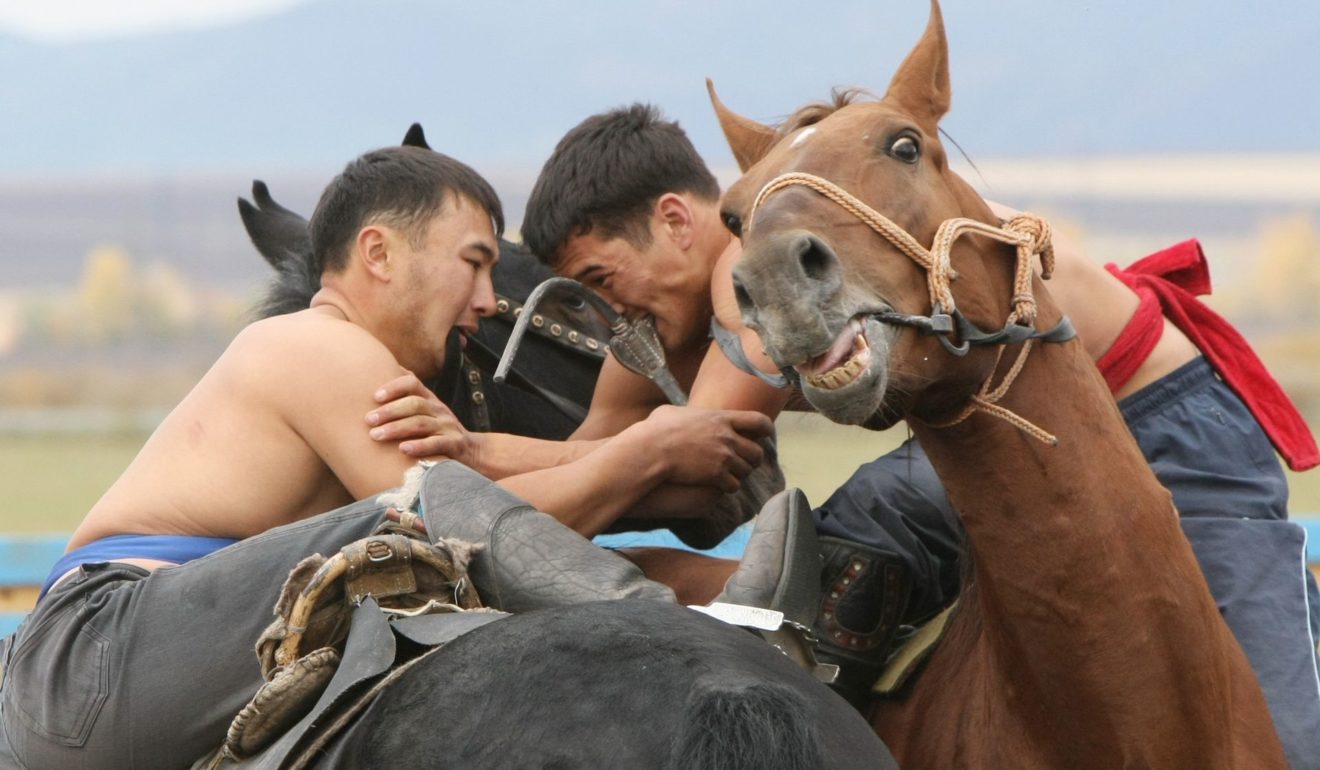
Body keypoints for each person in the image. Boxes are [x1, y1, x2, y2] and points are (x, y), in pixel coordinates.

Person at [510, 102, 1320, 758]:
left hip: (1163, 423)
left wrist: (472, 469)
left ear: (679, 221)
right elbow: (603, 447)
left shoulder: (756, 273)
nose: (607, 311)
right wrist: (461, 467)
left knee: (1289, 737)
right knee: (853, 540)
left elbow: (692, 445)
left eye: (601, 281)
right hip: (998, 436)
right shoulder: (670, 311)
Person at [0, 144, 796, 770]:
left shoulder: (356, 375)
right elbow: (457, 536)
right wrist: (645, 453)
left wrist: (650, 493)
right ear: (378, 254)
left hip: (159, 660)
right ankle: (676, 630)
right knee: (404, 533)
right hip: (92, 653)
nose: (488, 303)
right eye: (474, 263)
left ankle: (725, 610)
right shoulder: (316, 346)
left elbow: (513, 509)